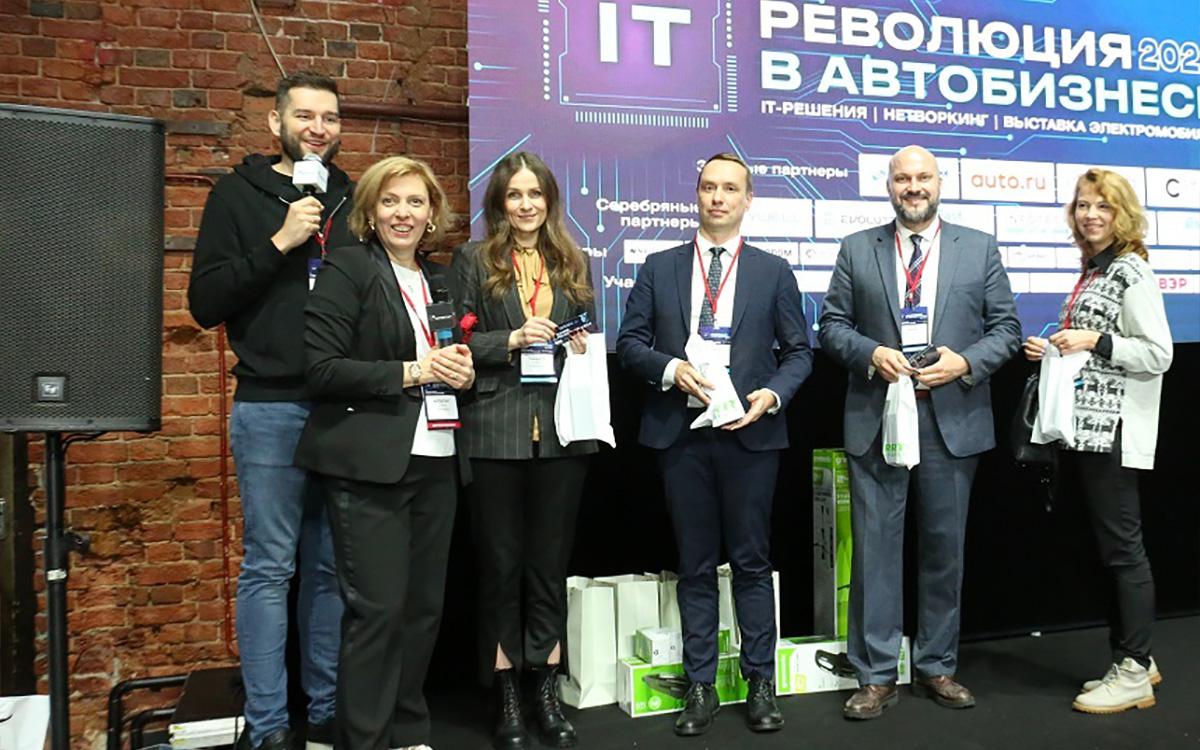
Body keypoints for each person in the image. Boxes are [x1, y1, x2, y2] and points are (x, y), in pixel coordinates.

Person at [818, 145, 1021, 720]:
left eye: (923, 177)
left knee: (943, 551)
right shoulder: (857, 248)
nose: (913, 187)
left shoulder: (978, 248)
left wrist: (965, 362)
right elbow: (831, 326)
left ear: (939, 182)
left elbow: (1007, 329)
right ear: (889, 186)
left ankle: (937, 665)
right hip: (878, 417)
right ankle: (877, 674)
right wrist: (870, 353)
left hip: (950, 419)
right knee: (875, 552)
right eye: (903, 178)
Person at [616, 153, 812, 737]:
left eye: (730, 188)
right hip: (681, 435)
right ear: (696, 195)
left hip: (750, 433)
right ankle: (700, 684)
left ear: (748, 199)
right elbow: (630, 343)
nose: (718, 197)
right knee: (695, 564)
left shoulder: (773, 271)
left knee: (752, 561)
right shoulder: (660, 267)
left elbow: (799, 352)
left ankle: (760, 684)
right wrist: (670, 368)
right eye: (708, 187)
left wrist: (772, 396)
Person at [187, 71, 350, 750]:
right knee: (269, 568)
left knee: (330, 569)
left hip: (342, 407)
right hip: (270, 406)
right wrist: (281, 241)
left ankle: (328, 710)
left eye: (330, 117)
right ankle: (269, 726)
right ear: (276, 124)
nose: (318, 128)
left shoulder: (350, 198)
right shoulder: (237, 195)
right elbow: (204, 303)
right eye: (305, 115)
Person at [293, 156, 475, 750]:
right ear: (370, 212)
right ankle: (365, 740)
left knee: (422, 611)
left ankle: (407, 731)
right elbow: (321, 369)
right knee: (377, 612)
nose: (404, 213)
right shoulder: (348, 268)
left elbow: (451, 357)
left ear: (432, 214)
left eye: (416, 202)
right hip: (370, 465)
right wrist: (413, 370)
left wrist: (462, 372)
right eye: (391, 201)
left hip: (437, 456)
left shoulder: (441, 280)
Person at [451, 152, 596, 750]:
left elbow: (587, 330)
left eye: (535, 194)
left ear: (549, 200)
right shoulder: (473, 259)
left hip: (562, 435)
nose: (526, 204)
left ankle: (546, 686)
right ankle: (506, 690)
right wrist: (509, 338)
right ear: (499, 203)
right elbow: (454, 338)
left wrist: (579, 342)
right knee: (499, 569)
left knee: (548, 569)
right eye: (515, 194)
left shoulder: (571, 261)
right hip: (494, 430)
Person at [1022, 168, 1172, 715]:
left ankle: (1132, 670)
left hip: (1114, 434)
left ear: (1122, 215)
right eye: (1083, 205)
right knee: (1110, 549)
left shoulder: (1131, 271)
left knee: (1123, 550)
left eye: (1103, 206)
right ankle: (1136, 659)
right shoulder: (1094, 269)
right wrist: (1054, 350)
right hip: (1086, 433)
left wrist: (1096, 339)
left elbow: (1158, 353)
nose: (1090, 215)